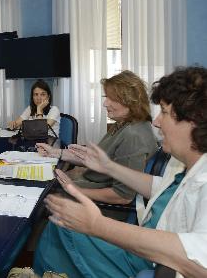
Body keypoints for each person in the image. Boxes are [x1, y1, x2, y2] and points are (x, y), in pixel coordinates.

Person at [34, 66, 207, 278]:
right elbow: (159, 187)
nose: (156, 121)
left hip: (147, 260)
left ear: (193, 121)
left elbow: (199, 260)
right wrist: (109, 166)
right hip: (146, 245)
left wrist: (97, 225)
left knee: (58, 225)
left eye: (163, 111)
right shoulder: (181, 163)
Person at [37, 71, 157, 205]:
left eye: (112, 99)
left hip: (102, 206)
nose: (105, 103)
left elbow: (123, 196)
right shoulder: (124, 124)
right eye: (106, 97)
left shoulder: (133, 136)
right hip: (90, 186)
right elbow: (97, 160)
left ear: (130, 102)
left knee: (43, 196)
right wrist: (55, 152)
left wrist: (73, 189)